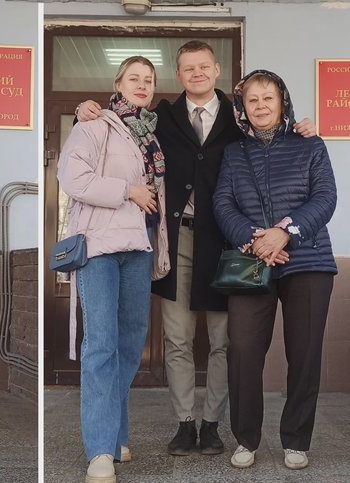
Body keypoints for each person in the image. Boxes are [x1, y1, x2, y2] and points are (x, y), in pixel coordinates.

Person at [76, 41, 316, 457]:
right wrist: (88, 108)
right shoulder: (160, 117)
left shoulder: (238, 117)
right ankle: (185, 423)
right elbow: (120, 119)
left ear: (216, 69)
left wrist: (302, 128)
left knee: (224, 340)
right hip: (176, 238)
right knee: (178, 336)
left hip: (229, 240)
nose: (197, 73)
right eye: (188, 68)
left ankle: (211, 424)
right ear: (179, 74)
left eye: (204, 66)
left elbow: (272, 126)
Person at [213, 70, 337, 471]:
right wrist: (254, 239)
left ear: (282, 101)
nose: (261, 105)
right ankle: (246, 439)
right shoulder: (234, 152)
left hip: (308, 259)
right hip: (251, 260)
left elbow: (326, 196)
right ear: (243, 108)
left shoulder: (309, 144)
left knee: (304, 353)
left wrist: (284, 234)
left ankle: (296, 440)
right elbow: (223, 203)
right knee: (244, 352)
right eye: (253, 99)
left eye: (269, 97)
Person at [57, 56, 170, 483]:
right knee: (101, 345)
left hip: (138, 246)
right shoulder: (93, 126)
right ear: (118, 83)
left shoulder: (153, 135)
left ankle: (117, 432)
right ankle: (100, 450)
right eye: (134, 78)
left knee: (129, 345)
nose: (142, 84)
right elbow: (74, 180)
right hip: (101, 247)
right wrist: (129, 190)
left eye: (149, 79)